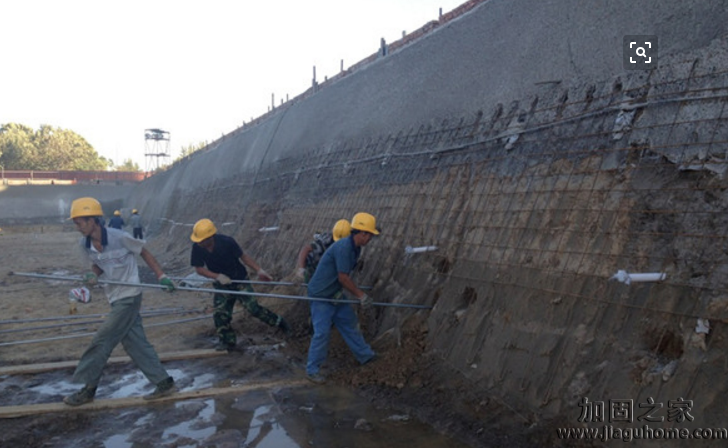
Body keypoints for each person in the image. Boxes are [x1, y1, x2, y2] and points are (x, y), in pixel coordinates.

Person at [63, 197, 177, 406]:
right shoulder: (85, 244)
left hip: (130, 295)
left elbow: (144, 252)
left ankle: (88, 389)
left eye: (80, 222)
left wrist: (162, 276)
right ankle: (164, 382)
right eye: (76, 223)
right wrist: (93, 275)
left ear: (93, 220)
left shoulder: (120, 238)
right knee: (136, 344)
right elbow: (99, 265)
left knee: (102, 341)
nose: (77, 227)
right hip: (114, 297)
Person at [190, 218, 290, 352]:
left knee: (253, 308)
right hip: (222, 283)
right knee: (220, 313)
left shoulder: (227, 242)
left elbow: (243, 257)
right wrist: (217, 277)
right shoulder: (197, 247)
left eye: (201, 240)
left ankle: (281, 323)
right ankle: (227, 342)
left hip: (239, 279)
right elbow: (199, 268)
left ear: (210, 237)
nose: (199, 242)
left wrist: (259, 270)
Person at [305, 212, 379, 384]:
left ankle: (365, 356)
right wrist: (361, 295)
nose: (369, 238)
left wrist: (340, 291)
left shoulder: (355, 248)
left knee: (349, 323)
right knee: (322, 333)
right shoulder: (345, 247)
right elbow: (343, 277)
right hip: (321, 295)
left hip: (334, 292)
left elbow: (342, 277)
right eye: (368, 234)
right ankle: (312, 370)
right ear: (360, 233)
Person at [294, 219, 351, 283]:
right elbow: (306, 249)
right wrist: (302, 269)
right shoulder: (324, 243)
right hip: (310, 266)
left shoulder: (345, 245)